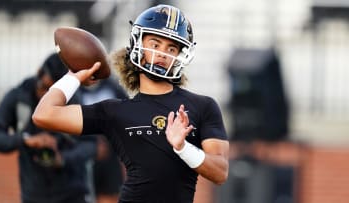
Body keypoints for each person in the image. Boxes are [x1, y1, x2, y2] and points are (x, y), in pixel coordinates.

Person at [33, 4, 230, 203]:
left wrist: (182, 147)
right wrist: (73, 77)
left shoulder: (203, 106)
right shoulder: (114, 111)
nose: (163, 53)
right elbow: (44, 114)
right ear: (138, 45)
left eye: (171, 48)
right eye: (155, 44)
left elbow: (220, 172)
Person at [0, 53, 100, 203]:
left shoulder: (74, 100)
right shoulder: (18, 97)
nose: (45, 98)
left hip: (72, 193)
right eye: (44, 88)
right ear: (39, 73)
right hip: (33, 194)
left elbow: (91, 145)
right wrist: (26, 140)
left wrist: (63, 159)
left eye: (53, 93)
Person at [78, 78, 128, 203]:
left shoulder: (112, 87)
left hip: (110, 154)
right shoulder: (74, 90)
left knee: (110, 194)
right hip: (83, 153)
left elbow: (126, 122)